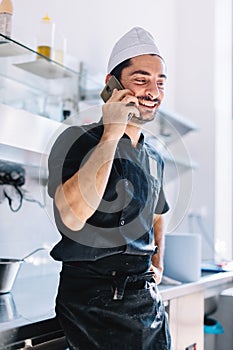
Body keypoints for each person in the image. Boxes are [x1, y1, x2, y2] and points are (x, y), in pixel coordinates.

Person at [48, 26, 172, 350]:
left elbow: (159, 213)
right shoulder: (76, 140)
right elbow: (73, 216)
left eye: (160, 82)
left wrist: (158, 262)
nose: (153, 91)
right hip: (93, 306)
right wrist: (112, 132)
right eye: (141, 79)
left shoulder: (154, 157)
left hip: (147, 304)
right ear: (112, 85)